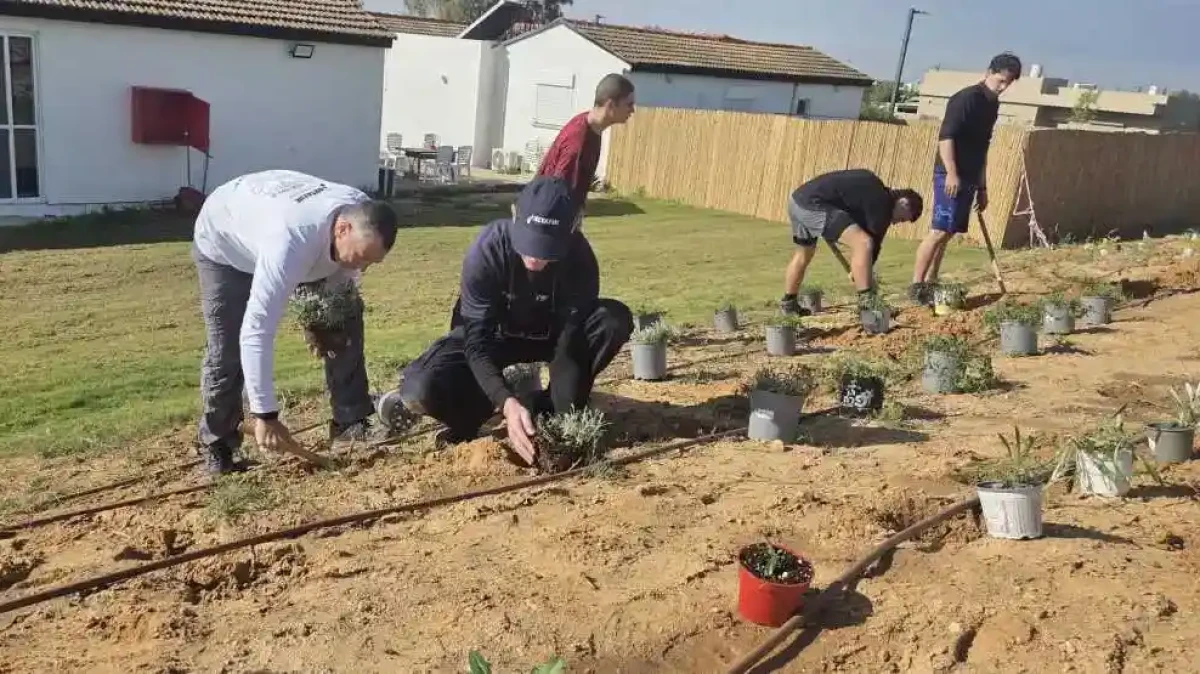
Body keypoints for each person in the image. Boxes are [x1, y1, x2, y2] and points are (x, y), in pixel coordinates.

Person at [395, 176, 633, 465]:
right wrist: (504, 401)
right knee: (420, 388)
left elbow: (570, 348)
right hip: (494, 337)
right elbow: (476, 344)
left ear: (573, 229)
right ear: (513, 215)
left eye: (546, 248)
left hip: (552, 338)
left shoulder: (580, 260)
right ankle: (478, 411)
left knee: (612, 319)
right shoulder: (487, 250)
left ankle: (539, 408)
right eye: (528, 243)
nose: (534, 257)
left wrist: (562, 419)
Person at [192, 170, 400, 474]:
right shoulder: (290, 241)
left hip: (291, 234)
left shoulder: (360, 211)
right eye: (359, 258)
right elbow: (257, 330)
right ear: (342, 229)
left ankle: (351, 422)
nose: (363, 268)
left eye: (371, 261)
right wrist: (266, 415)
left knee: (344, 322)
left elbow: (347, 276)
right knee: (228, 349)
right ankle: (219, 443)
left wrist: (326, 317)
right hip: (226, 245)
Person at [910, 52, 1022, 305]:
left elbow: (983, 147)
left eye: (1008, 83)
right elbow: (946, 137)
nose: (1003, 87)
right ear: (988, 72)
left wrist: (982, 186)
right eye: (1000, 80)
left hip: (970, 177)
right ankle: (917, 286)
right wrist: (951, 172)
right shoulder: (966, 99)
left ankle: (932, 281)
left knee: (949, 232)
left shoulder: (992, 105)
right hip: (949, 175)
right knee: (939, 230)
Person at [780, 169, 923, 315]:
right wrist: (864, 276)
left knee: (803, 255)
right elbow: (872, 242)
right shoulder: (882, 204)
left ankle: (789, 303)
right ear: (903, 203)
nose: (897, 223)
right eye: (903, 218)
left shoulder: (873, 189)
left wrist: (859, 270)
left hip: (797, 200)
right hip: (814, 205)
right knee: (863, 242)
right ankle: (868, 302)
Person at [537, 73, 636, 223]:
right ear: (611, 105)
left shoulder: (591, 127)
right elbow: (559, 194)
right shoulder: (578, 141)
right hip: (546, 223)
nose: (632, 110)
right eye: (629, 104)